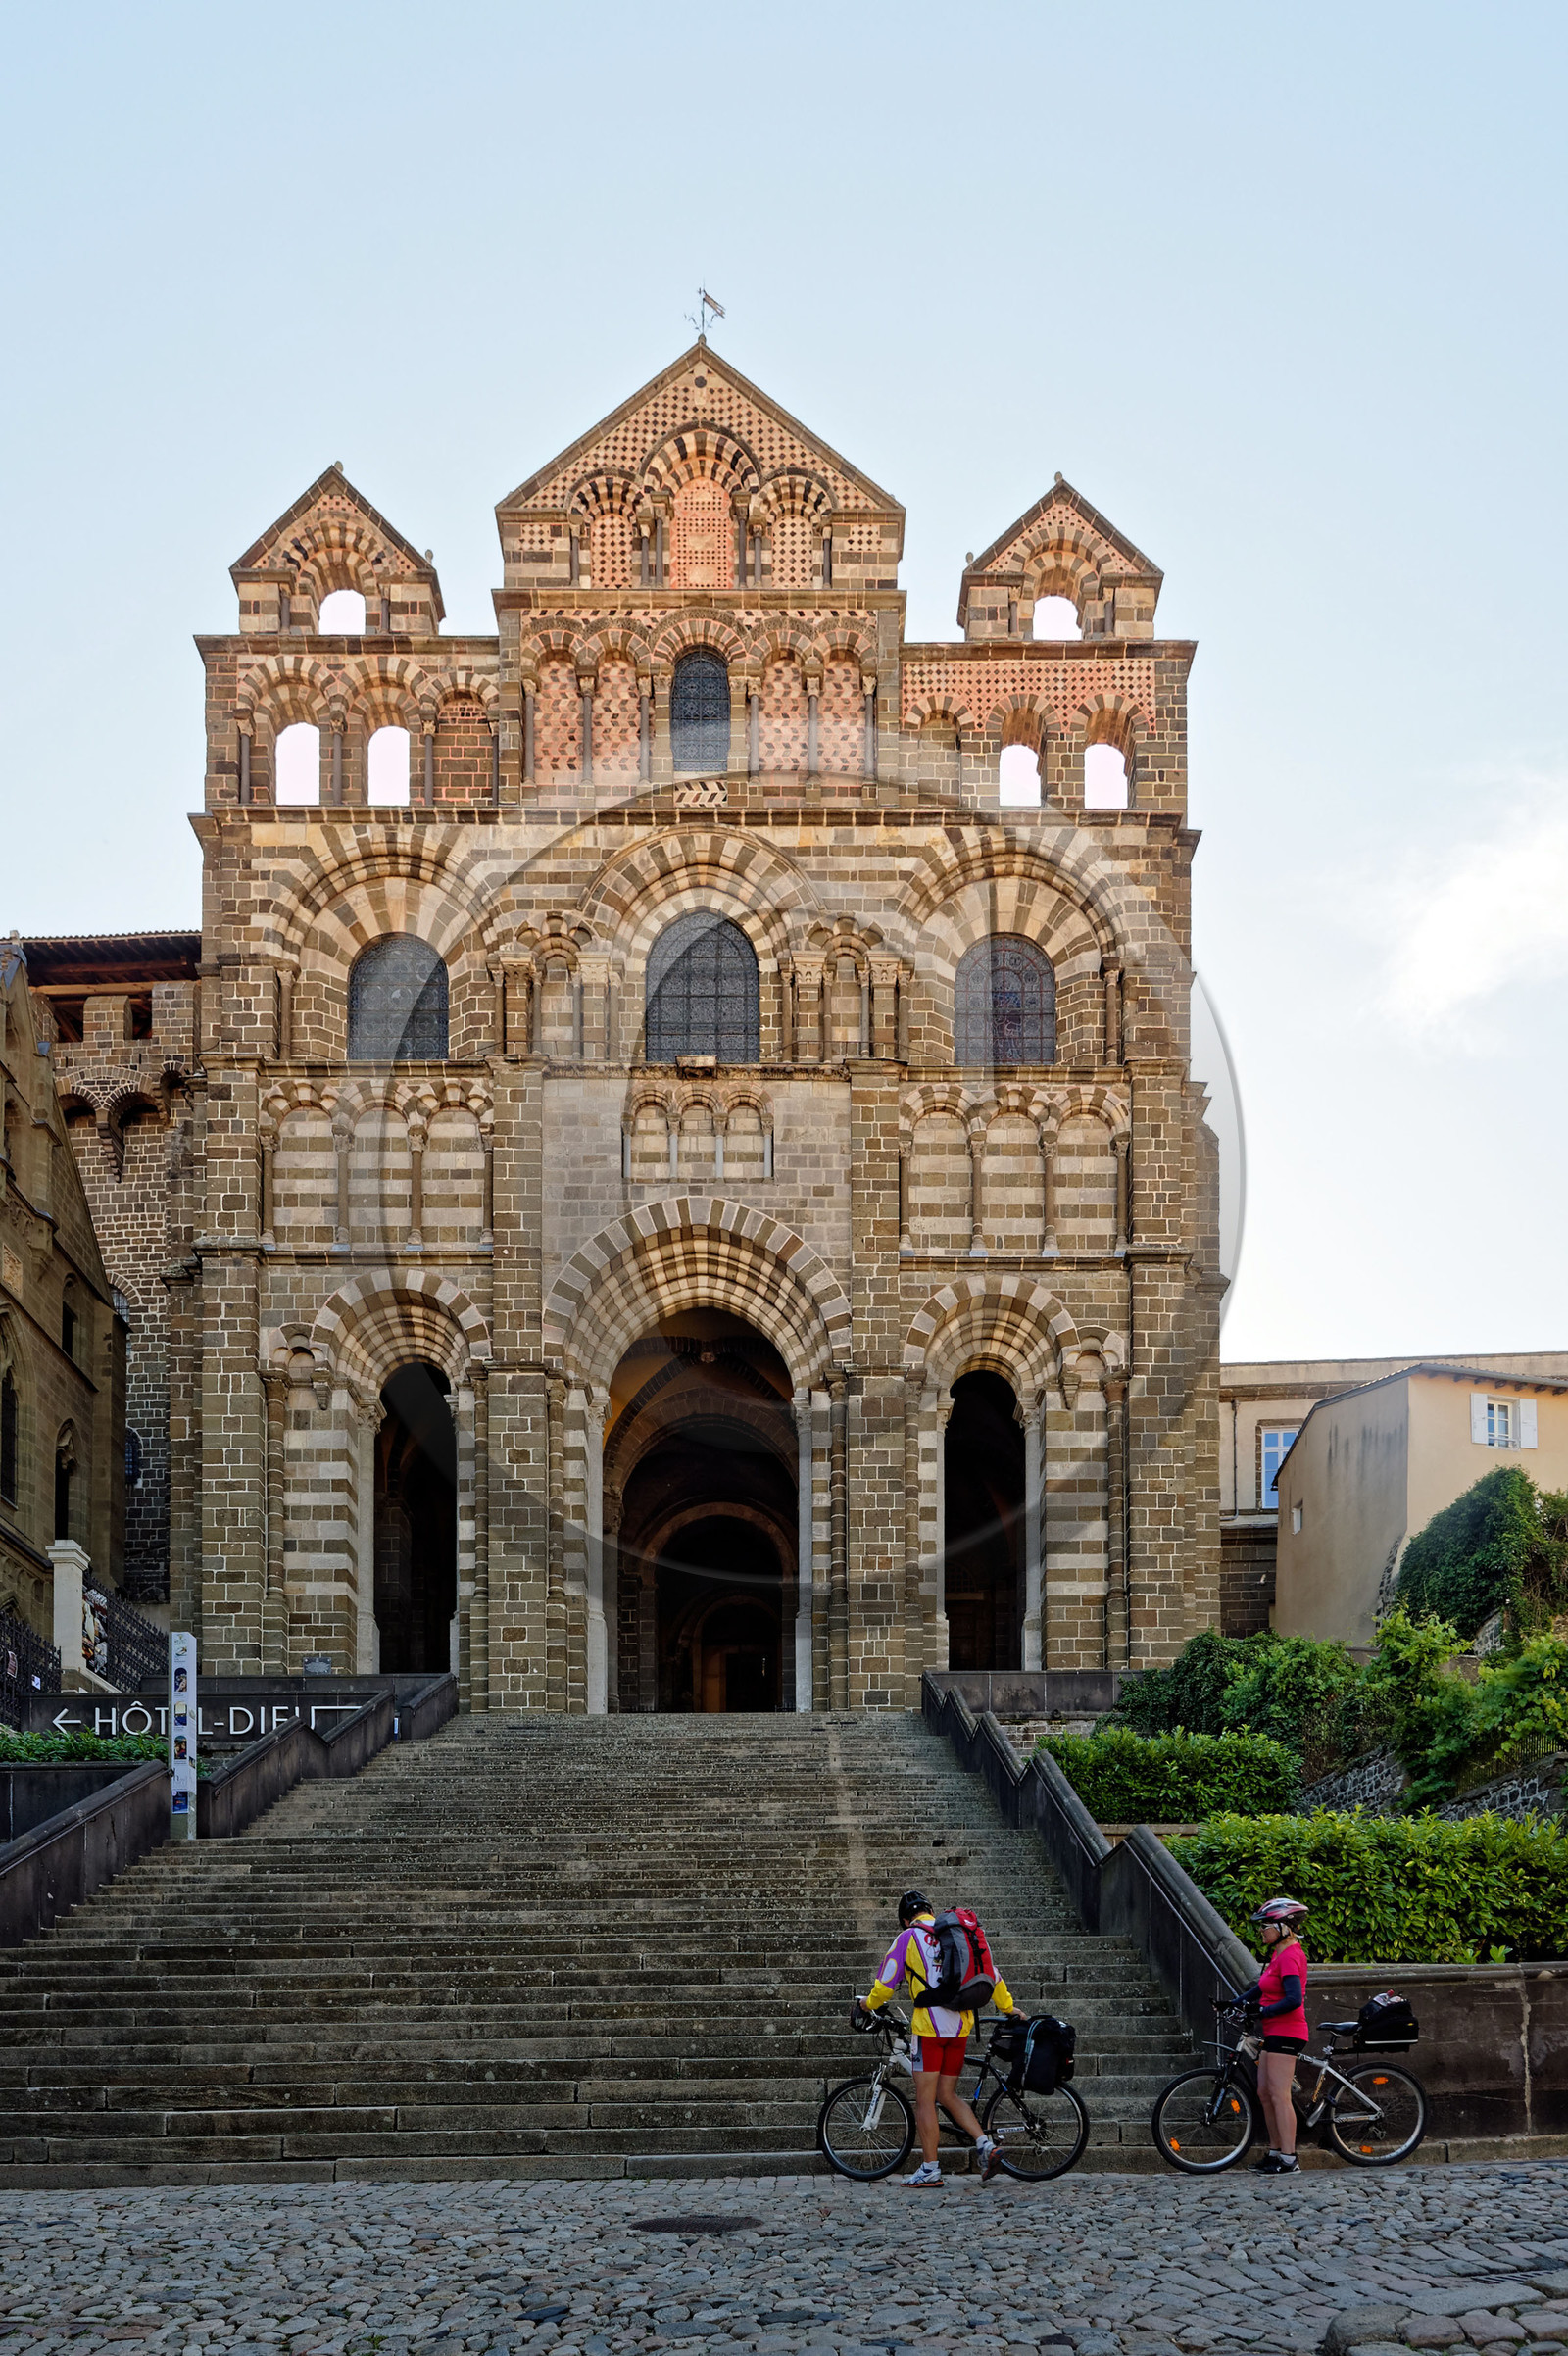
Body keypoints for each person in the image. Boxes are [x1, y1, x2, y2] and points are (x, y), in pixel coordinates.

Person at [857, 1889, 1017, 2188]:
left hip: (930, 2029)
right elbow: (991, 1974)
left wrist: (867, 2004)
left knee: (926, 2101)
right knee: (948, 2094)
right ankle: (985, 2145)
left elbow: (885, 1985)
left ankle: (930, 2169)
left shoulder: (908, 1938)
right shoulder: (957, 1934)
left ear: (905, 1919)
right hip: (961, 2026)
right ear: (930, 1910)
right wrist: (1008, 2007)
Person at [1239, 1895, 1310, 2174]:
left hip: (1288, 2030)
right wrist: (1236, 2002)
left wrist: (1262, 2013)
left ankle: (1289, 2158)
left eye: (1266, 1925)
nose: (1262, 1930)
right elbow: (1261, 1987)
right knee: (1265, 2093)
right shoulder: (1278, 1954)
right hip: (1274, 2030)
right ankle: (1275, 2152)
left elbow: (1293, 1999)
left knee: (1280, 2095)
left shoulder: (1292, 1955)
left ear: (1282, 1926)